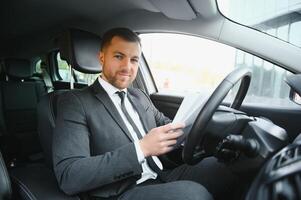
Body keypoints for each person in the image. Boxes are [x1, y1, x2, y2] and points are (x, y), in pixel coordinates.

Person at [53, 27, 238, 200]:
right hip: (121, 191)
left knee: (229, 166)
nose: (127, 66)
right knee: (194, 195)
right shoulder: (75, 102)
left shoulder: (139, 95)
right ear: (102, 58)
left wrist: (193, 127)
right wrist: (141, 148)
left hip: (162, 173)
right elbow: (70, 176)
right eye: (118, 56)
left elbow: (165, 125)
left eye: (134, 60)